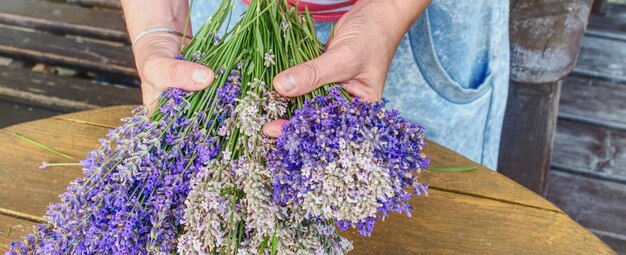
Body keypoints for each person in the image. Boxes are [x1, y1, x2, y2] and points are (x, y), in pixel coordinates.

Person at [121, 0, 509, 169]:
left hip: (418, 23)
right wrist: (158, 25)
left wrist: (389, 12)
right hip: (226, 16)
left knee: (438, 235)